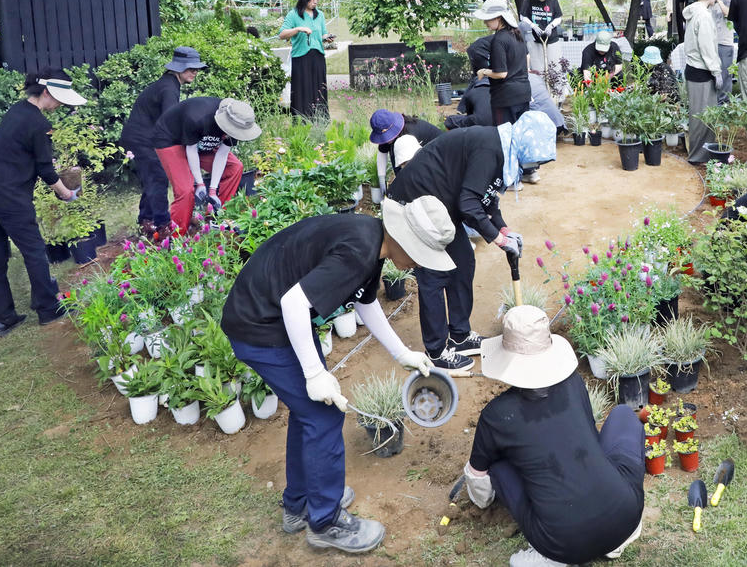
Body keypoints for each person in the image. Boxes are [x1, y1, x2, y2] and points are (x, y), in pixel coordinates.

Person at [220, 200, 449, 554]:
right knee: (323, 413)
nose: (418, 264)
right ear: (403, 237)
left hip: (275, 316)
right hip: (261, 324)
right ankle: (325, 522)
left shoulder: (372, 241)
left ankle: (300, 503)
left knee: (310, 410)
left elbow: (365, 301)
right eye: (420, 253)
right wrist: (313, 374)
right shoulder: (359, 251)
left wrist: (401, 352)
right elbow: (294, 304)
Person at [463, 305, 644, 567]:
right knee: (624, 416)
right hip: (626, 518)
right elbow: (588, 436)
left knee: (499, 467)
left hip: (563, 543)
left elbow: (478, 477)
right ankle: (610, 539)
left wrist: (483, 500)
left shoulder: (497, 414)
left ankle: (549, 558)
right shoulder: (573, 382)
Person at [385, 117, 555, 374]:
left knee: (463, 261)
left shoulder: (502, 149)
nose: (535, 164)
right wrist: (497, 239)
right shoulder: (491, 149)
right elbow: (468, 204)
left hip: (440, 204)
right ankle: (436, 351)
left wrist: (504, 229)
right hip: (414, 206)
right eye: (537, 158)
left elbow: (486, 196)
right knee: (433, 274)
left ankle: (460, 336)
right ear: (526, 145)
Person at [0, 69, 85, 336]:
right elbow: (47, 171)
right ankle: (48, 308)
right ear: (46, 93)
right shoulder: (37, 123)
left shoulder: (17, 110)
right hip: (8, 196)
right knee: (34, 250)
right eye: (59, 99)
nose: (60, 105)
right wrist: (67, 194)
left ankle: (3, 318)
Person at [120, 47, 207, 240]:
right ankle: (163, 225)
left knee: (153, 179)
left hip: (141, 137)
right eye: (190, 68)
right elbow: (171, 121)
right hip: (142, 139)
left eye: (196, 68)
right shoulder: (169, 88)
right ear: (178, 68)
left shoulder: (168, 84)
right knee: (158, 178)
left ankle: (146, 221)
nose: (194, 72)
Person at [152, 96, 260, 234]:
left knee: (234, 167)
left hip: (198, 143)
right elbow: (191, 150)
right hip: (170, 139)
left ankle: (217, 218)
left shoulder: (238, 124)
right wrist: (200, 184)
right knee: (185, 190)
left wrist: (212, 191)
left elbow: (222, 155)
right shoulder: (197, 117)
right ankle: (176, 238)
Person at [682, 0, 723, 164]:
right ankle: (699, 157)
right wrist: (716, 71)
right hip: (702, 71)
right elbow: (706, 48)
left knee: (698, 115)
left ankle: (699, 155)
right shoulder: (704, 16)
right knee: (703, 118)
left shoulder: (693, 12)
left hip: (694, 69)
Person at [279, 0, 332, 118]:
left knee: (319, 91)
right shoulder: (294, 14)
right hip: (301, 59)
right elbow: (282, 34)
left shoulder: (319, 15)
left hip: (318, 58)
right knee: (302, 91)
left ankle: (320, 120)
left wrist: (326, 37)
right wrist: (298, 29)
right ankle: (302, 121)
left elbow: (323, 34)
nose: (315, 2)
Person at [475, 0, 531, 126]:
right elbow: (527, 57)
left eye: (488, 18)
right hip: (524, 93)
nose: (485, 22)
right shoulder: (517, 34)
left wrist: (483, 71)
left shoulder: (498, 40)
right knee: (520, 136)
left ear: (499, 18)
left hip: (506, 98)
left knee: (505, 137)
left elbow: (501, 73)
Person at [368, 109, 443, 199]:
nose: (385, 140)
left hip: (439, 159)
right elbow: (382, 152)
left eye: (387, 136)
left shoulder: (409, 135)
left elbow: (412, 172)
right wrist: (381, 178)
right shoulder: (390, 132)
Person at [446, 36, 495, 130]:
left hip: (475, 50)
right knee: (482, 77)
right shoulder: (514, 38)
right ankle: (463, 107)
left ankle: (462, 108)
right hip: (477, 51)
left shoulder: (510, 36)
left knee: (478, 79)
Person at [700, 0, 734, 104]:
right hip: (712, 43)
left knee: (725, 74)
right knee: (712, 74)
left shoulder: (727, 1)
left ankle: (724, 102)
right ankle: (713, 101)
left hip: (725, 43)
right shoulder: (707, 4)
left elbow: (728, 14)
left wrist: (719, 0)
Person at [519, 0, 563, 73]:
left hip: (551, 39)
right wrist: (533, 26)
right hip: (535, 40)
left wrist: (551, 26)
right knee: (538, 70)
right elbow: (522, 17)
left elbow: (558, 17)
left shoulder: (553, 0)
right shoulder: (529, 0)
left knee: (555, 69)